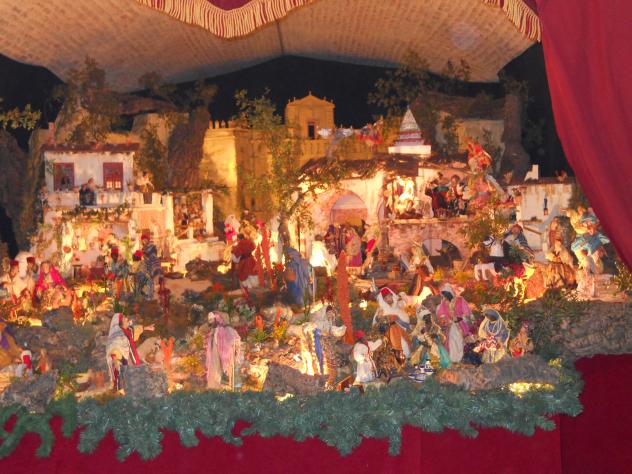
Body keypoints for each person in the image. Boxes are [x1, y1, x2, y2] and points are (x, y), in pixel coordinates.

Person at [105, 312, 154, 391]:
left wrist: (147, 328)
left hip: (133, 357)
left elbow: (136, 329)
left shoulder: (129, 330)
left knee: (137, 377)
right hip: (125, 361)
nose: (127, 318)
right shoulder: (117, 336)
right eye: (124, 318)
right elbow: (113, 348)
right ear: (120, 323)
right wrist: (115, 360)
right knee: (126, 380)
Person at [435, 284, 473, 363]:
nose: (444, 297)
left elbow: (467, 313)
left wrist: (459, 318)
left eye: (445, 295)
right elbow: (441, 314)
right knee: (452, 341)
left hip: (460, 324)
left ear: (449, 293)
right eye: (443, 295)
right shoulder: (444, 303)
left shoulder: (460, 300)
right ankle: (453, 359)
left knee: (459, 341)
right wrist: (444, 320)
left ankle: (460, 357)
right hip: (450, 325)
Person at [206, 312, 242, 390]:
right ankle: (222, 386)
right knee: (221, 371)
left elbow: (235, 340)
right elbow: (236, 340)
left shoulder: (220, 331)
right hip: (222, 356)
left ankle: (223, 386)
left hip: (224, 356)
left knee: (222, 371)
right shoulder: (219, 330)